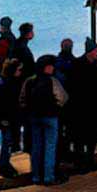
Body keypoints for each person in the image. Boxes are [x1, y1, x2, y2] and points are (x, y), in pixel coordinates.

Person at [22, 54, 68, 185]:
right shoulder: (52, 81)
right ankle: (48, 177)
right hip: (50, 117)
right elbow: (62, 98)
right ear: (46, 68)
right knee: (50, 147)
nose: (53, 68)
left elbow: (22, 99)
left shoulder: (29, 81)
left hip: (34, 118)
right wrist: (56, 108)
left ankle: (36, 176)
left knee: (36, 147)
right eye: (51, 66)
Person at [69, 38, 97, 173]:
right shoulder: (78, 64)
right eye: (96, 51)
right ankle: (80, 163)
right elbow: (74, 85)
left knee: (92, 136)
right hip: (81, 106)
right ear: (90, 52)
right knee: (80, 137)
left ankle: (89, 160)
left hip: (95, 105)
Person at [0, 59, 24, 178]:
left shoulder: (10, 82)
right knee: (7, 143)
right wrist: (2, 119)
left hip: (9, 118)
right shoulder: (8, 85)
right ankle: (4, 167)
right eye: (19, 69)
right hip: (6, 119)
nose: (21, 72)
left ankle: (6, 165)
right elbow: (0, 104)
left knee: (9, 143)